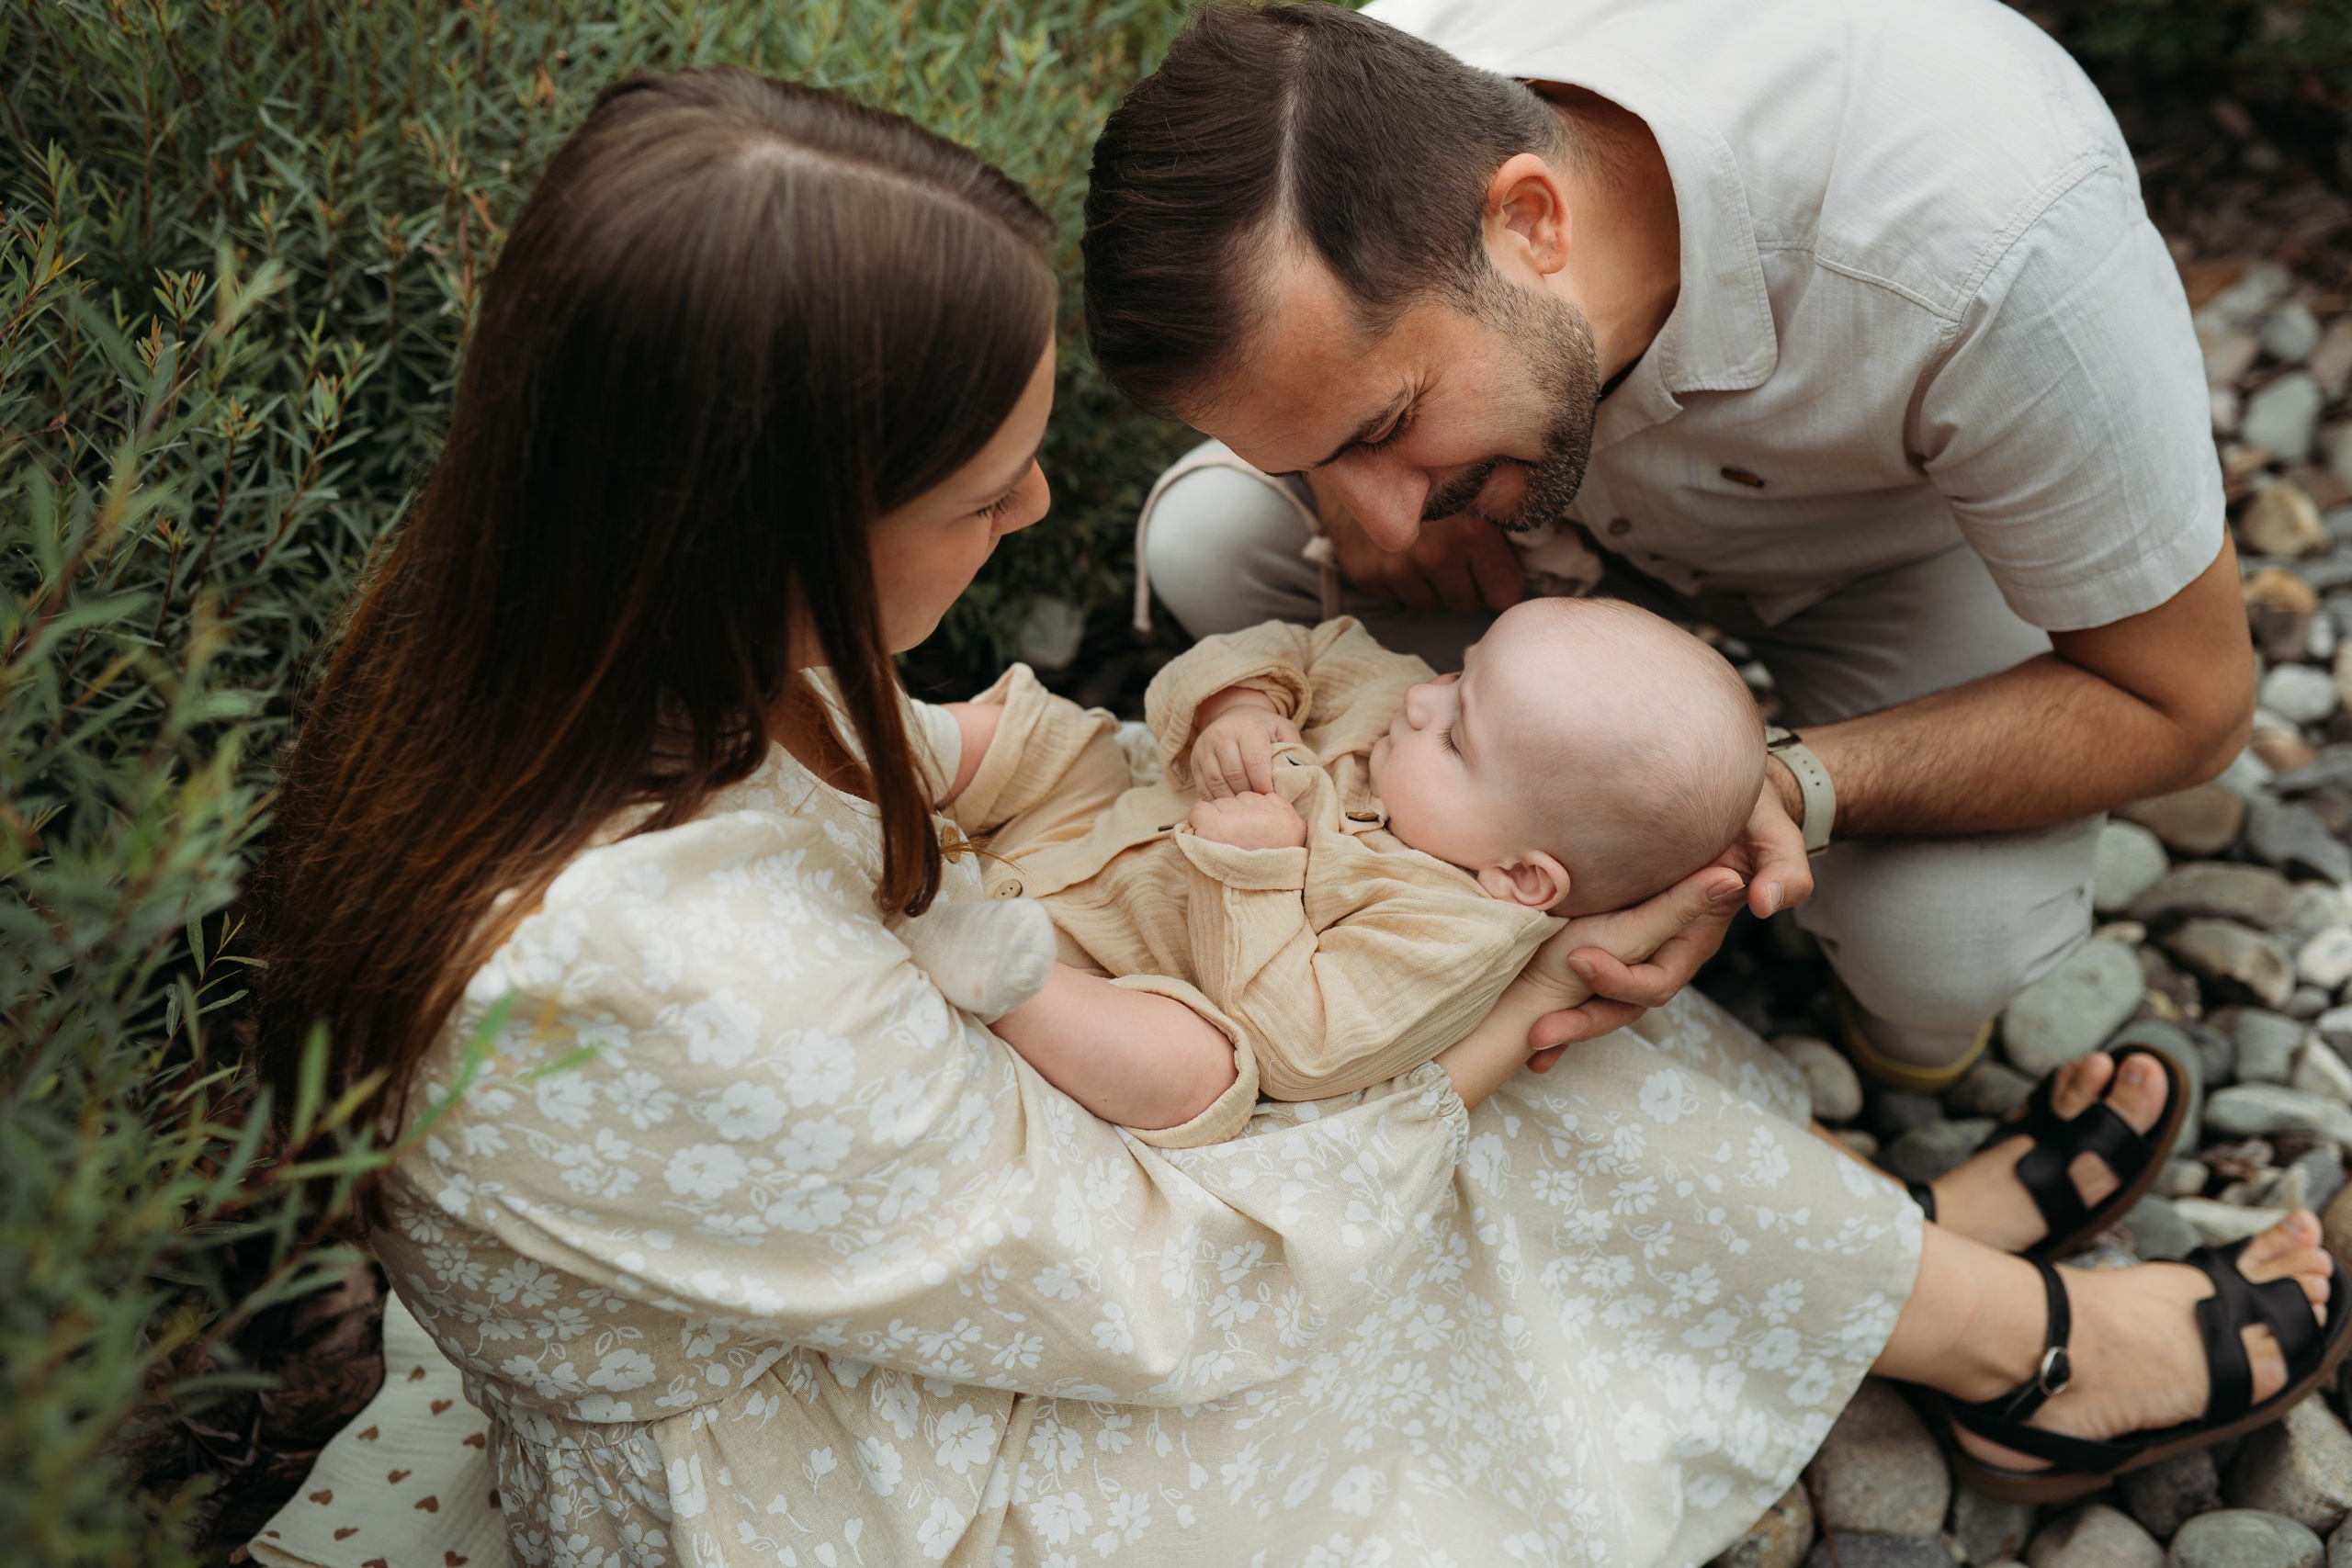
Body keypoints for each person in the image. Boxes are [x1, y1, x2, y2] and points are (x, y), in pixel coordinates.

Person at [252, 66, 2340, 1568]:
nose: (1036, 509)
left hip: (925, 1225)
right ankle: (2012, 1345)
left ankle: (1885, 1277)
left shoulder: (568, 650)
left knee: (1438, 953)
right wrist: (1452, 1045)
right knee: (1466, 1069)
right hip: (890, 1481)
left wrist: (1292, 836)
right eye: (983, 482)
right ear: (772, 508)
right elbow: (1169, 1278)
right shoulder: (640, 962)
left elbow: (998, 770)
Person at [1080, 0, 2259, 1093]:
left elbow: (2188, 704)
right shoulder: (1351, 109)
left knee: (1941, 952)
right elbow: (1339, 459)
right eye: (1319, 451)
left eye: (1387, 426)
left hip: (1891, 556)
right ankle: (1445, 892)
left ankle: (1872, 1053)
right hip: (1555, 546)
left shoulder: (2004, 248)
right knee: (1211, 537)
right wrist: (1340, 474)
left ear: (1530, 221)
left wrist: (1769, 792)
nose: (1388, 524)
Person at [905, 600, 1762, 1135]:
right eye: (1463, 669)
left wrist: (1257, 876)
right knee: (1055, 739)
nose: (1422, 697)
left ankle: (996, 973)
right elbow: (1298, 645)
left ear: (1522, 877)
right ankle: (899, 742)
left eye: (1457, 735)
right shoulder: (1398, 699)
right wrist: (1237, 702)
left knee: (1197, 1070)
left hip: (1108, 961)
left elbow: (1302, 1049)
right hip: (1096, 809)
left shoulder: (1448, 930)